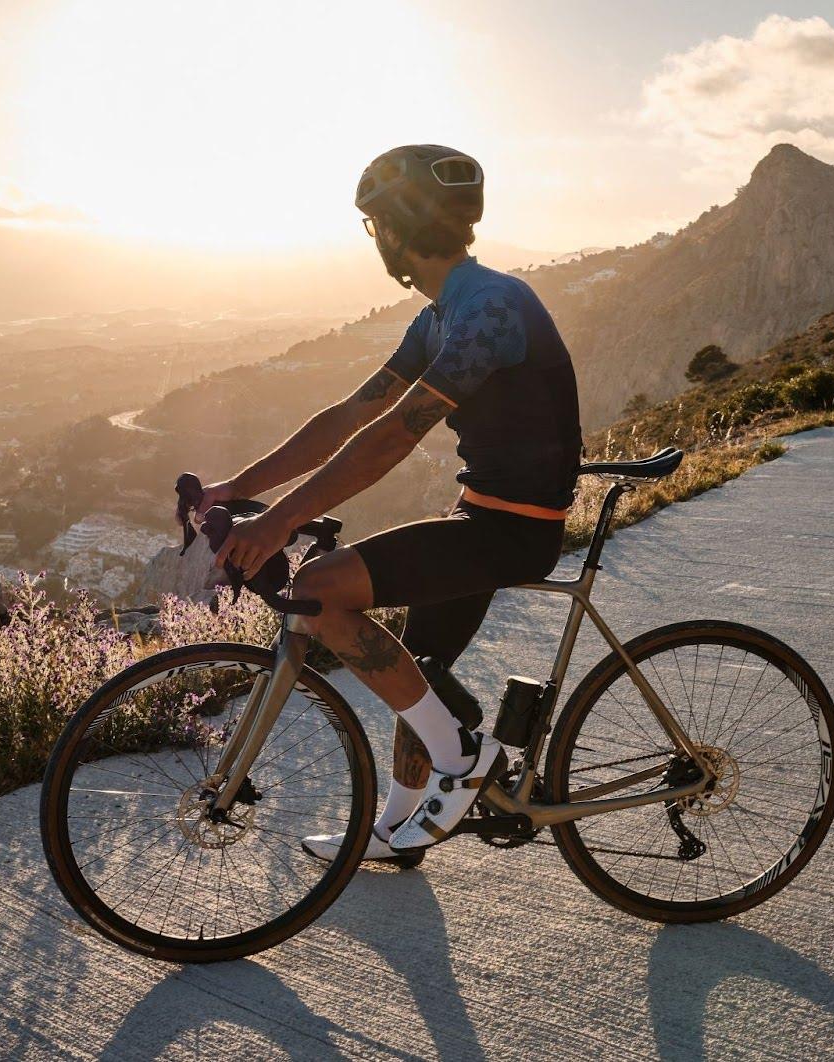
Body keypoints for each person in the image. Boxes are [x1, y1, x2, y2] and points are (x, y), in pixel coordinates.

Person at [198, 144, 582, 860]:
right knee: (419, 672)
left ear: (399, 230)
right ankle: (404, 829)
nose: (377, 240)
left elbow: (394, 436)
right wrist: (238, 489)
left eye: (377, 225)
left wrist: (280, 522)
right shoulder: (441, 315)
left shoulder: (490, 309)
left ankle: (466, 762)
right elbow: (348, 418)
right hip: (486, 515)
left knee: (316, 590)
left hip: (516, 530)